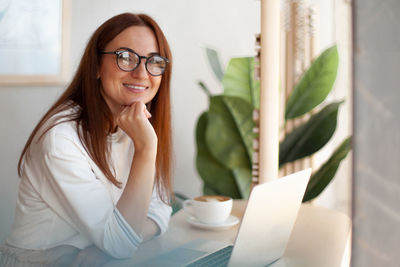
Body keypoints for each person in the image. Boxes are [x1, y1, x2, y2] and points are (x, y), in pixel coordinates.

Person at [0, 12, 173, 266]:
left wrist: (102, 250)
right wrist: (146, 149)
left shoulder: (134, 126)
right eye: (125, 57)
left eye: (154, 61)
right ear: (96, 67)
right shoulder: (60, 138)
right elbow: (121, 243)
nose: (141, 73)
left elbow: (160, 212)